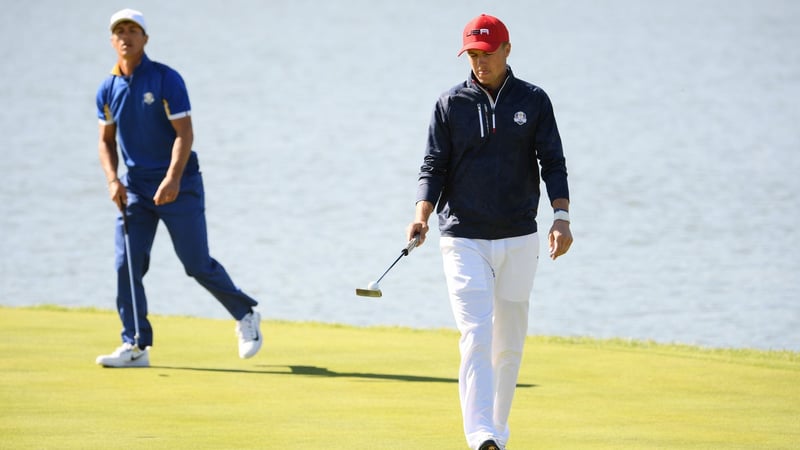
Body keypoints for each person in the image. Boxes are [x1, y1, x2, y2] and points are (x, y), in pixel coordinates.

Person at [406, 14, 573, 450]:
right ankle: (479, 434)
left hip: (520, 236)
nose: (479, 63)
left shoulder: (534, 101)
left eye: (486, 54)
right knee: (476, 334)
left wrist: (562, 217)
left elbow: (552, 163)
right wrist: (422, 214)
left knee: (509, 341)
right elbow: (433, 167)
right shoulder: (450, 104)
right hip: (463, 236)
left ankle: (496, 432)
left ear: (506, 50)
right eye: (473, 55)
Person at [95, 9, 263, 368]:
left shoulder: (165, 79)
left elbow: (184, 134)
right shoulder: (107, 89)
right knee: (127, 263)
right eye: (119, 31)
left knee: (196, 263)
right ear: (112, 41)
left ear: (145, 39)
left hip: (180, 183)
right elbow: (106, 141)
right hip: (136, 189)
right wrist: (112, 179)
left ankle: (245, 313)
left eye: (133, 30)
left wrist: (172, 178)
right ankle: (136, 344)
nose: (126, 37)